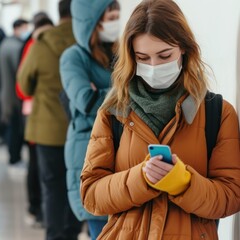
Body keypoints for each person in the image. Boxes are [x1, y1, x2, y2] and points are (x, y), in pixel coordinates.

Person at [80, 0, 240, 239]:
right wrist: (140, 178)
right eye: (142, 58)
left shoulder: (218, 112)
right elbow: (91, 195)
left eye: (164, 55)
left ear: (184, 48)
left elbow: (230, 198)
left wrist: (183, 183)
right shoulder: (114, 111)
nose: (153, 66)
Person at [17, 0, 83, 239]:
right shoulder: (87, 42)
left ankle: (54, 234)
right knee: (77, 184)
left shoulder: (41, 43)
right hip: (81, 127)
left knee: (52, 187)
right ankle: (72, 232)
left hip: (47, 129)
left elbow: (24, 84)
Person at [59, 0, 120, 239]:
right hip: (88, 149)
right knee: (100, 226)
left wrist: (104, 93)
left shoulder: (121, 51)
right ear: (91, 21)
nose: (115, 23)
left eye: (117, 17)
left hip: (121, 148)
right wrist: (127, 92)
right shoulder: (73, 57)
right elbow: (86, 100)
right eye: (110, 18)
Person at [17, 12, 54, 228]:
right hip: (38, 116)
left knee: (42, 167)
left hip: (42, 117)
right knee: (39, 166)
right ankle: (36, 208)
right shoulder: (34, 47)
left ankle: (40, 209)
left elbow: (22, 86)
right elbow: (22, 87)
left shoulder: (39, 46)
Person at [0, 19, 29, 164]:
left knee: (12, 125)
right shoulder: (14, 47)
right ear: (17, 28)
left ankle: (14, 156)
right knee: (15, 127)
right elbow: (22, 72)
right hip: (13, 94)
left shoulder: (6, 44)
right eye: (25, 28)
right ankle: (14, 158)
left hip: (7, 92)